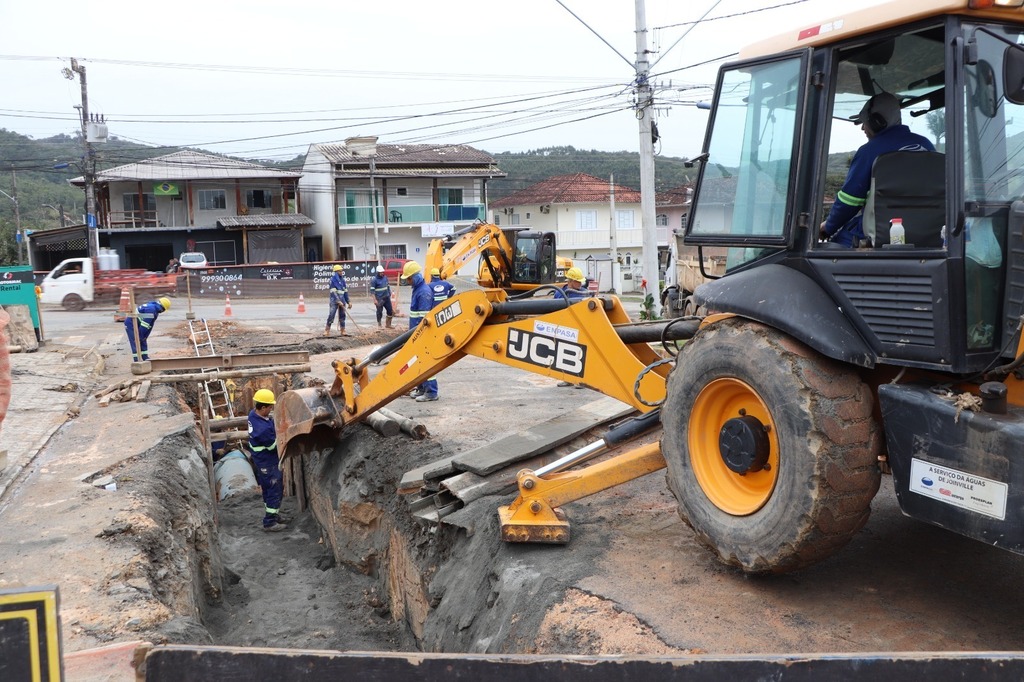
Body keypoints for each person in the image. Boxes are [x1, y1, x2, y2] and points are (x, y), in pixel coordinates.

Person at [820, 92, 935, 247]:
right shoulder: (926, 145)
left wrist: (828, 226)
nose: (862, 128)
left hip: (883, 232)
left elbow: (850, 201)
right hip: (927, 231)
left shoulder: (870, 151)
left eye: (864, 122)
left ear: (877, 122)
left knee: (832, 245)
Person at [246, 389, 288, 532]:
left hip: (262, 460)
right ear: (262, 407)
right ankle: (270, 522)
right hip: (267, 461)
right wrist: (284, 432)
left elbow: (269, 422)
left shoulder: (253, 415)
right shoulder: (262, 429)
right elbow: (273, 445)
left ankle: (273, 514)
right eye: (270, 407)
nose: (271, 410)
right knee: (274, 489)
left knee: (268, 488)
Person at [401, 261, 439, 402]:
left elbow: (424, 319)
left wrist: (418, 335)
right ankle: (422, 388)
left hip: (422, 334)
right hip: (415, 333)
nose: (409, 281)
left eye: (409, 278)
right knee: (417, 362)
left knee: (425, 362)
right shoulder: (417, 289)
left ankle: (431, 392)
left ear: (416, 277)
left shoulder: (423, 292)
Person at [125, 297, 170, 362]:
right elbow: (145, 325)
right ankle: (137, 361)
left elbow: (149, 326)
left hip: (137, 323)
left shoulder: (154, 309)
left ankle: (145, 357)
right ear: (162, 308)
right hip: (131, 323)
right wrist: (140, 336)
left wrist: (144, 337)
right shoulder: (151, 310)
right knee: (135, 341)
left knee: (142, 339)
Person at [325, 264, 351, 336]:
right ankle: (327, 330)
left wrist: (348, 301)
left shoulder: (343, 280)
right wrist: (337, 300)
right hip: (334, 301)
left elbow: (345, 291)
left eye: (342, 271)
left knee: (342, 315)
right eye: (340, 271)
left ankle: (343, 330)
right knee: (331, 315)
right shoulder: (332, 280)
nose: (341, 272)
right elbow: (333, 291)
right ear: (336, 272)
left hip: (342, 300)